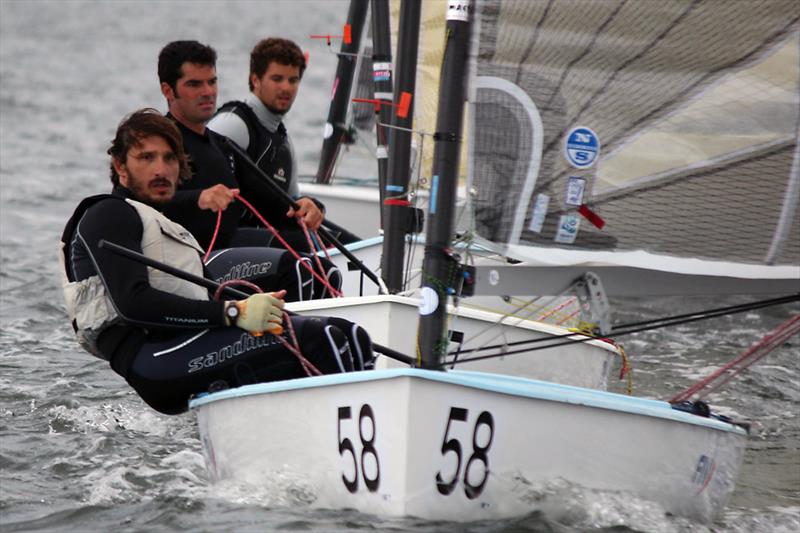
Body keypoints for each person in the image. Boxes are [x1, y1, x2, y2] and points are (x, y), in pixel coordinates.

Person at [59, 109, 373, 415]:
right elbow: (133, 304)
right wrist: (236, 312)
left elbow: (205, 296)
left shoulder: (164, 224)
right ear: (120, 165)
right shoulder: (108, 213)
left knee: (351, 336)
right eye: (146, 157)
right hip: (153, 358)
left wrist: (256, 305)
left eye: (170, 158)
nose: (161, 169)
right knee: (323, 340)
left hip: (189, 341)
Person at [157, 40, 341, 298]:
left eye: (212, 82)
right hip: (189, 261)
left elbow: (275, 202)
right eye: (194, 84)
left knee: (328, 266)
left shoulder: (221, 145)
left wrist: (310, 206)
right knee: (300, 268)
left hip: (229, 248)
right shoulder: (161, 142)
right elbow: (135, 203)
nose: (208, 92)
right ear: (168, 90)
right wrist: (197, 198)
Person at [208, 37, 324, 232]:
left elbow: (293, 204)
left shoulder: (285, 143)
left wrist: (312, 206)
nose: (286, 88)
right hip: (225, 241)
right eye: (277, 79)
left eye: (293, 80)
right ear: (255, 80)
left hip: (264, 241)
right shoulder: (232, 124)